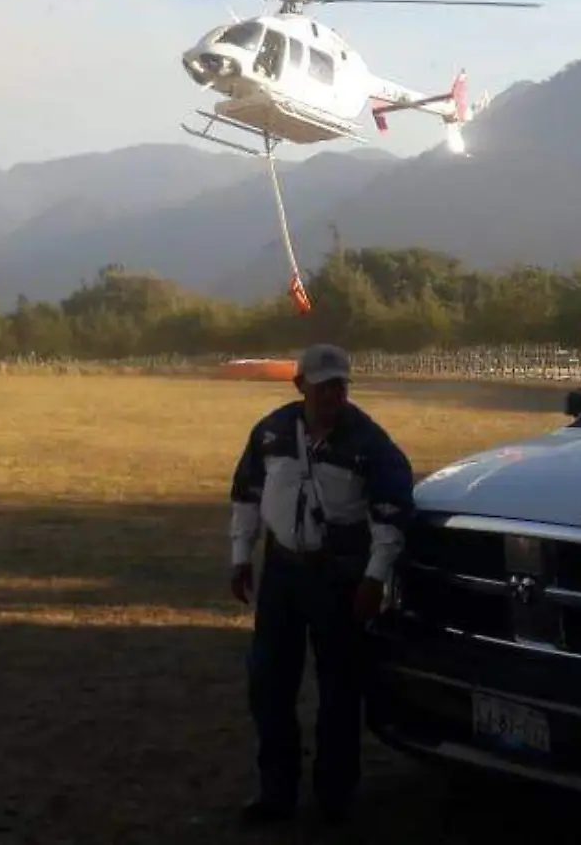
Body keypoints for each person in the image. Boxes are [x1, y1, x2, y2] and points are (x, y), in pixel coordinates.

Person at [228, 342, 416, 827]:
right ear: (301, 385)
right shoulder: (270, 432)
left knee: (339, 689)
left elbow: (390, 519)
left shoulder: (371, 444)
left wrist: (374, 579)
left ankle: (335, 796)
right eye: (324, 384)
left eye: (340, 384)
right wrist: (240, 556)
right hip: (282, 573)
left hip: (341, 577)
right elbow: (247, 495)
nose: (333, 393)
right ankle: (276, 792)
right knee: (269, 683)